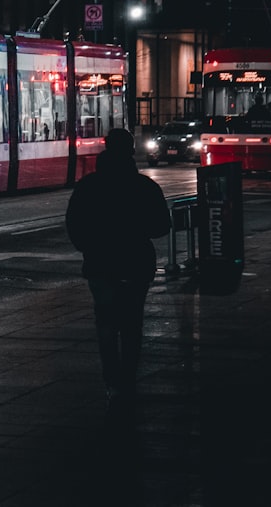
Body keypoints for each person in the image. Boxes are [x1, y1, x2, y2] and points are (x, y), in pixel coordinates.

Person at [65, 128, 171, 415]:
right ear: (131, 151)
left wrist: (89, 246)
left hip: (101, 262)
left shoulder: (88, 186)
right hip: (137, 262)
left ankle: (112, 381)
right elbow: (162, 225)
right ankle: (128, 379)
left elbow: (74, 223)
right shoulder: (145, 186)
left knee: (106, 322)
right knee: (133, 323)